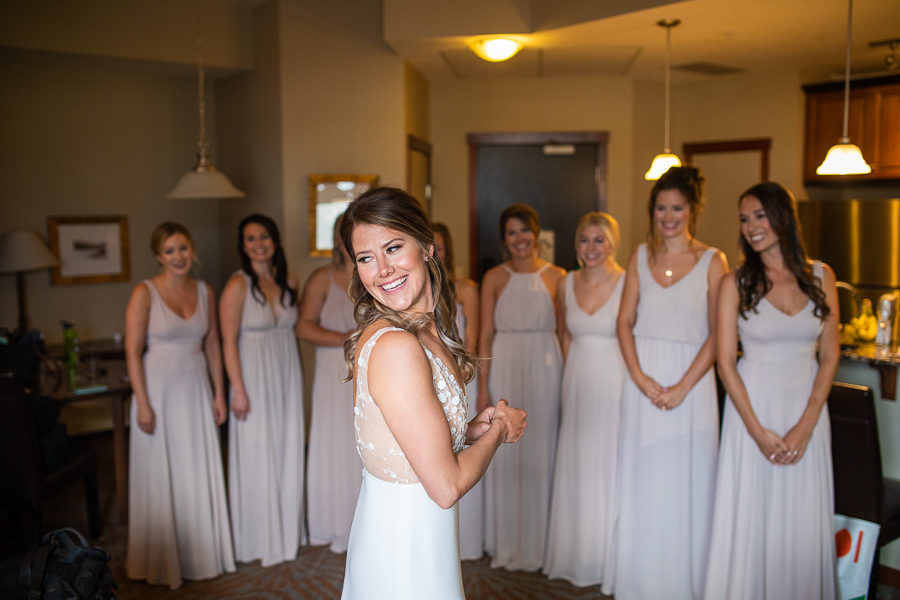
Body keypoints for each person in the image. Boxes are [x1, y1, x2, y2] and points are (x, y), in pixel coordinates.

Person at [339, 187, 527, 600]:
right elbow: (445, 487)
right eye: (366, 258)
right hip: (403, 544)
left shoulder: (423, 328)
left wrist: (471, 429)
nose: (383, 269)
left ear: (427, 247)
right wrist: (500, 431)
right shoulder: (396, 345)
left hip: (417, 533)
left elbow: (410, 437)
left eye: (393, 248)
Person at [704, 182, 839, 599]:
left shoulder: (822, 275)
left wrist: (806, 425)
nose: (751, 227)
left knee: (799, 515)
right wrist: (756, 431)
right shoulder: (735, 283)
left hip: (807, 413)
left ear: (783, 217)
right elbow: (726, 362)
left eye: (759, 215)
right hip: (752, 412)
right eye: (744, 219)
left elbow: (830, 355)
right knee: (753, 513)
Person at [613, 166, 728, 600]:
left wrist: (682, 386)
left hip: (693, 383)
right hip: (642, 380)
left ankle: (686, 584)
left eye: (677, 207)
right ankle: (642, 581)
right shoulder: (639, 256)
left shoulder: (714, 261)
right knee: (645, 476)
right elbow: (624, 323)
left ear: (692, 210)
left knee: (688, 478)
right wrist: (641, 377)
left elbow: (720, 332)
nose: (668, 215)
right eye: (661, 207)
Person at [125, 222, 235, 589]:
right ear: (158, 256)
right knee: (161, 472)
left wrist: (219, 393)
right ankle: (160, 562)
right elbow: (132, 351)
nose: (178, 257)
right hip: (157, 393)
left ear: (192, 250)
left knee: (195, 468)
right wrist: (142, 403)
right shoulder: (144, 293)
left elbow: (214, 347)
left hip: (195, 391)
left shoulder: (205, 291)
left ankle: (200, 556)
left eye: (183, 248)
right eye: (170, 251)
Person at [479, 203, 566, 571]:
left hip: (546, 361)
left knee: (542, 445)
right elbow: (484, 333)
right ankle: (507, 542)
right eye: (511, 233)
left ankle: (540, 545)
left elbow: (564, 331)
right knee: (505, 448)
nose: (519, 239)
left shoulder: (559, 276)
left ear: (537, 233)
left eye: (524, 231)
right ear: (504, 240)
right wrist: (483, 386)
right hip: (506, 361)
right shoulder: (494, 278)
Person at [544, 212, 625, 589]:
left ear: (612, 244)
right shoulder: (566, 282)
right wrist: (564, 380)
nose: (591, 248)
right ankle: (577, 554)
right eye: (584, 240)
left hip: (615, 379)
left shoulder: (628, 282)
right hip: (576, 377)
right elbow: (563, 335)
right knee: (578, 464)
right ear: (575, 245)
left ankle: (607, 557)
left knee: (609, 462)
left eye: (599, 240)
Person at [220, 214, 306, 566]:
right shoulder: (237, 285)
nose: (258, 244)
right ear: (243, 246)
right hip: (252, 377)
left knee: (286, 446)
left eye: (264, 237)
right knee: (257, 451)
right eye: (251, 238)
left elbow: (295, 331)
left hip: (286, 373)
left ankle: (286, 531)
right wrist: (237, 390)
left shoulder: (289, 280)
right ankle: (257, 537)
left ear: (275, 241)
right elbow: (227, 341)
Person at [298, 213, 359, 553]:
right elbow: (303, 326)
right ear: (339, 240)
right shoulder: (322, 278)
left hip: (370, 368)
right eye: (345, 234)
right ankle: (332, 521)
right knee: (334, 440)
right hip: (331, 367)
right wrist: (343, 338)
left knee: (363, 440)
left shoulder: (375, 274)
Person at [432, 221, 483, 560]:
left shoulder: (466, 289)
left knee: (462, 447)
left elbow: (474, 340)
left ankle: (466, 541)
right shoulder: (415, 292)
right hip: (425, 380)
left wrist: (459, 379)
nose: (432, 253)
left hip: (461, 377)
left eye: (437, 246)